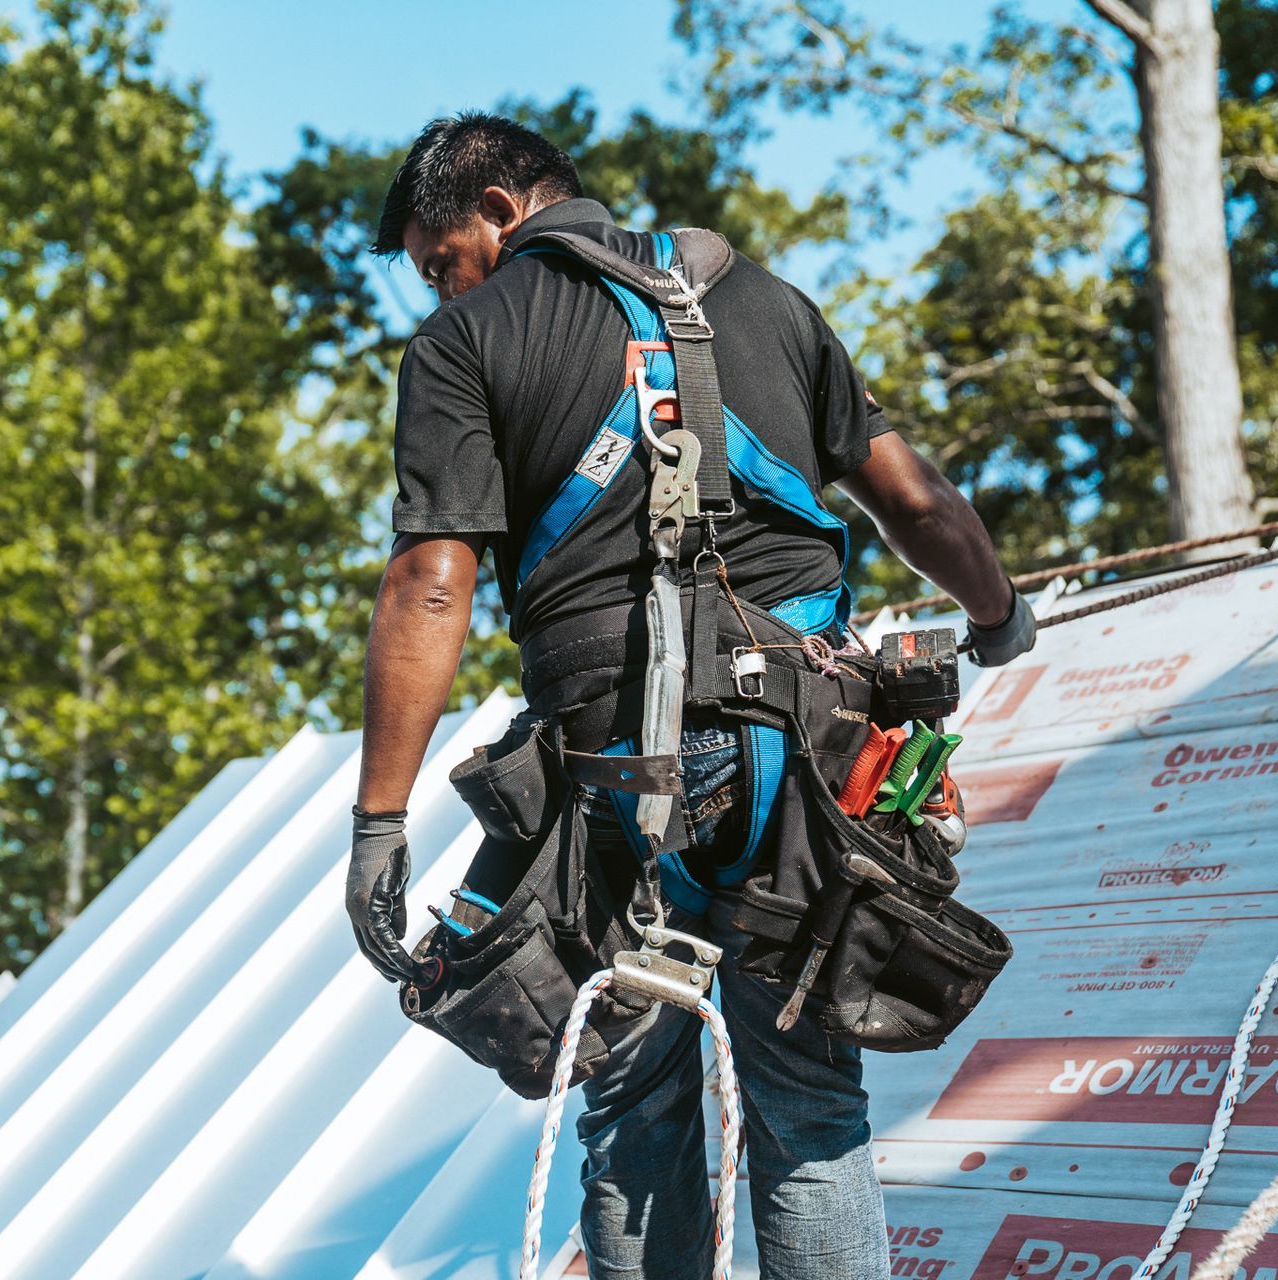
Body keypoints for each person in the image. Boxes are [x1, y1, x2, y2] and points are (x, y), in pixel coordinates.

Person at [343, 113, 1035, 1280]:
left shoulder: (466, 343)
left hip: (616, 775)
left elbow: (429, 583)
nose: (439, 292)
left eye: (439, 261)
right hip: (806, 760)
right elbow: (911, 500)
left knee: (635, 1109)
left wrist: (379, 823)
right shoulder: (758, 297)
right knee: (810, 1107)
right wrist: (997, 612)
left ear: (500, 212)